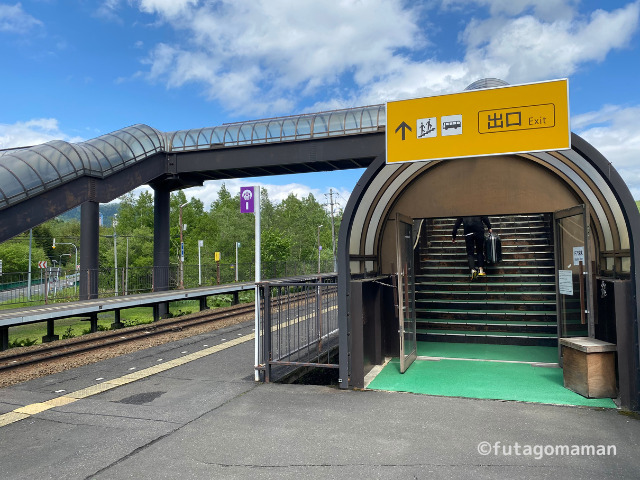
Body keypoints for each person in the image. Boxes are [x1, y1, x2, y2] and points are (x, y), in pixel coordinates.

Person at [452, 216, 493, 280]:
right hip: (479, 231)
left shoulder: (463, 211)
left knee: (470, 253)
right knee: (480, 250)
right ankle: (481, 270)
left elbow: (457, 224)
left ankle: (473, 270)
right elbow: (485, 217)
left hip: (468, 233)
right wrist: (489, 227)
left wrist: (454, 236)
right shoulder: (477, 208)